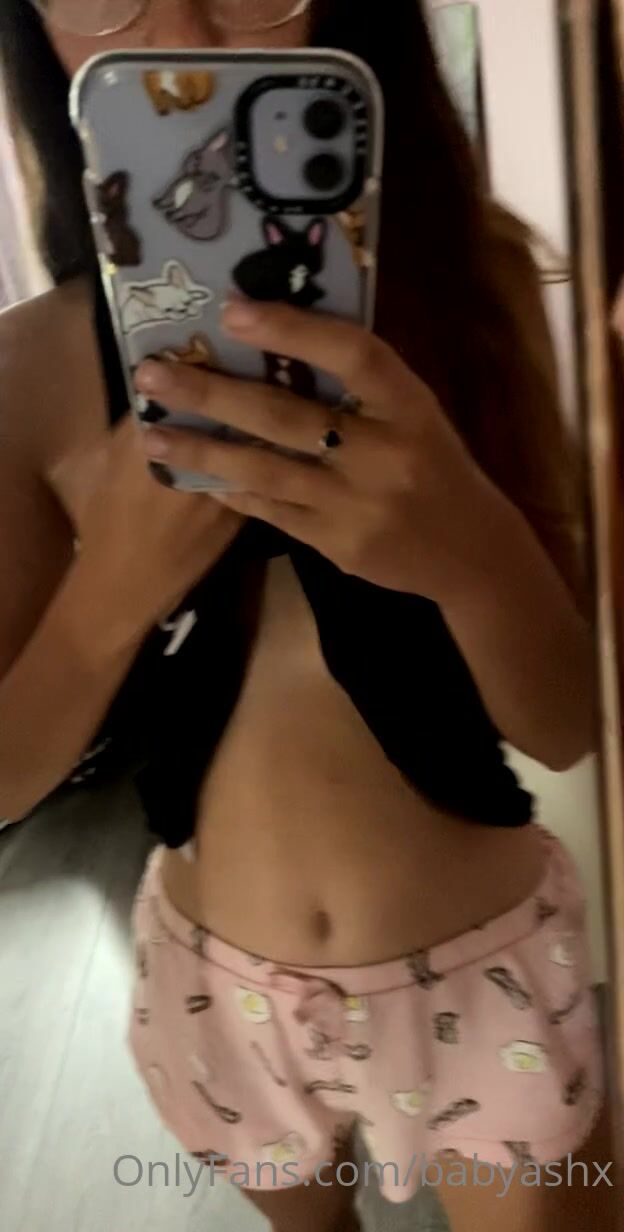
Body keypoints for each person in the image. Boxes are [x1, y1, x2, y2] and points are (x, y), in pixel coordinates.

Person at [0, 2, 614, 1229]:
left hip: (484, 973)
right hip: (220, 994)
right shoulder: (30, 372)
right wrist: (106, 594)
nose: (182, 33)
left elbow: (564, 726)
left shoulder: (482, 284)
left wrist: (471, 552)